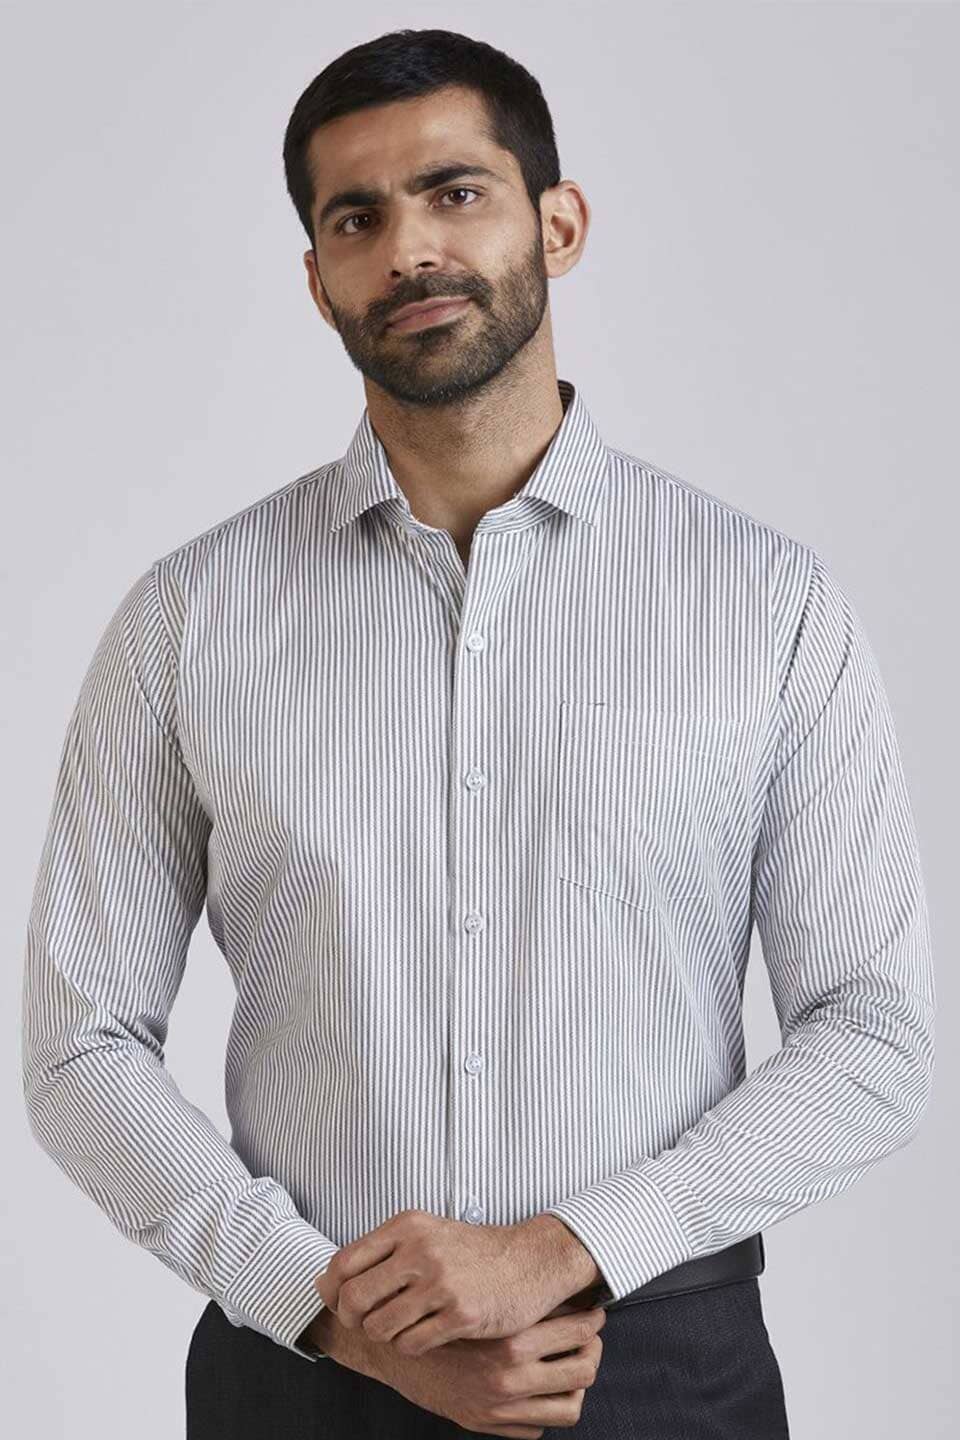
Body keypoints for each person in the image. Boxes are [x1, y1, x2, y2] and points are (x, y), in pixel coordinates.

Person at [21, 26, 934, 1440]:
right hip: (303, 1375)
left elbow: (874, 1034)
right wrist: (333, 1312)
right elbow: (80, 1047)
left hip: (657, 1372)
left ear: (557, 225)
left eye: (456, 193)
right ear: (317, 279)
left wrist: (565, 1250)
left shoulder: (765, 602)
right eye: (357, 219)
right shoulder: (190, 618)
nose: (409, 250)